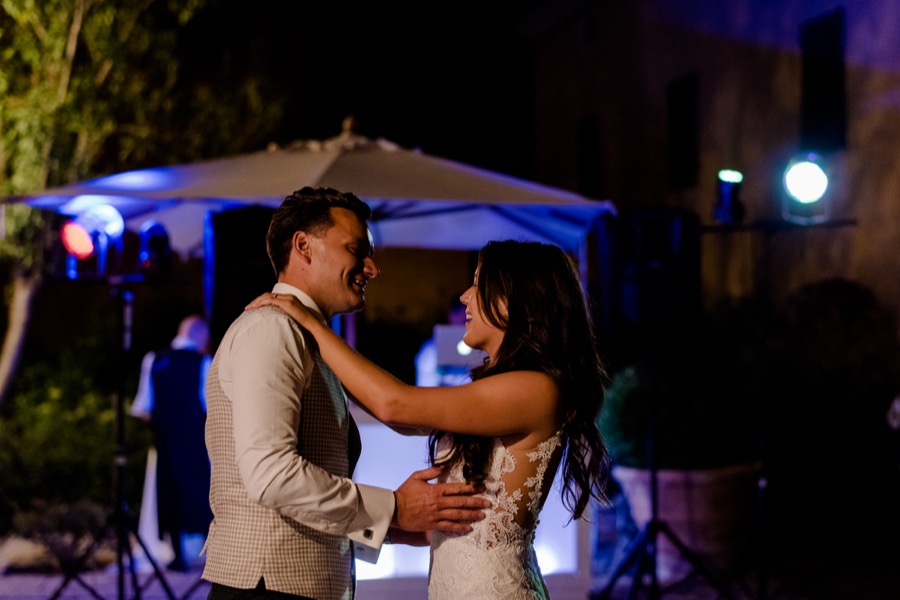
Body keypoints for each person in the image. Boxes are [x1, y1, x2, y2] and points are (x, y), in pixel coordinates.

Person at [247, 238, 613, 600]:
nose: (464, 297)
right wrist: (399, 519)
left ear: (514, 298)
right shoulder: (506, 386)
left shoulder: (536, 389)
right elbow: (403, 419)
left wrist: (313, 325)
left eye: (477, 283)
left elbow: (395, 404)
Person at [202, 186, 489, 600]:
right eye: (357, 250)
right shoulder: (271, 329)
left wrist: (391, 528)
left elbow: (299, 505)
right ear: (303, 246)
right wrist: (394, 508)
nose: (371, 269)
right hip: (265, 589)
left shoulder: (305, 336)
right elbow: (271, 476)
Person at [131, 314, 213, 572]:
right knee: (202, 495)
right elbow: (210, 406)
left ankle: (178, 556)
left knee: (169, 497)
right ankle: (214, 556)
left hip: (164, 443)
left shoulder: (154, 359)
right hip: (196, 444)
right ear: (200, 336)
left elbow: (144, 407)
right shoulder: (203, 362)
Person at [414, 296, 472, 387]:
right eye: (460, 316)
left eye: (468, 318)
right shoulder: (430, 349)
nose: (465, 322)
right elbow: (425, 389)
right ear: (451, 316)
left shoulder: (484, 349)